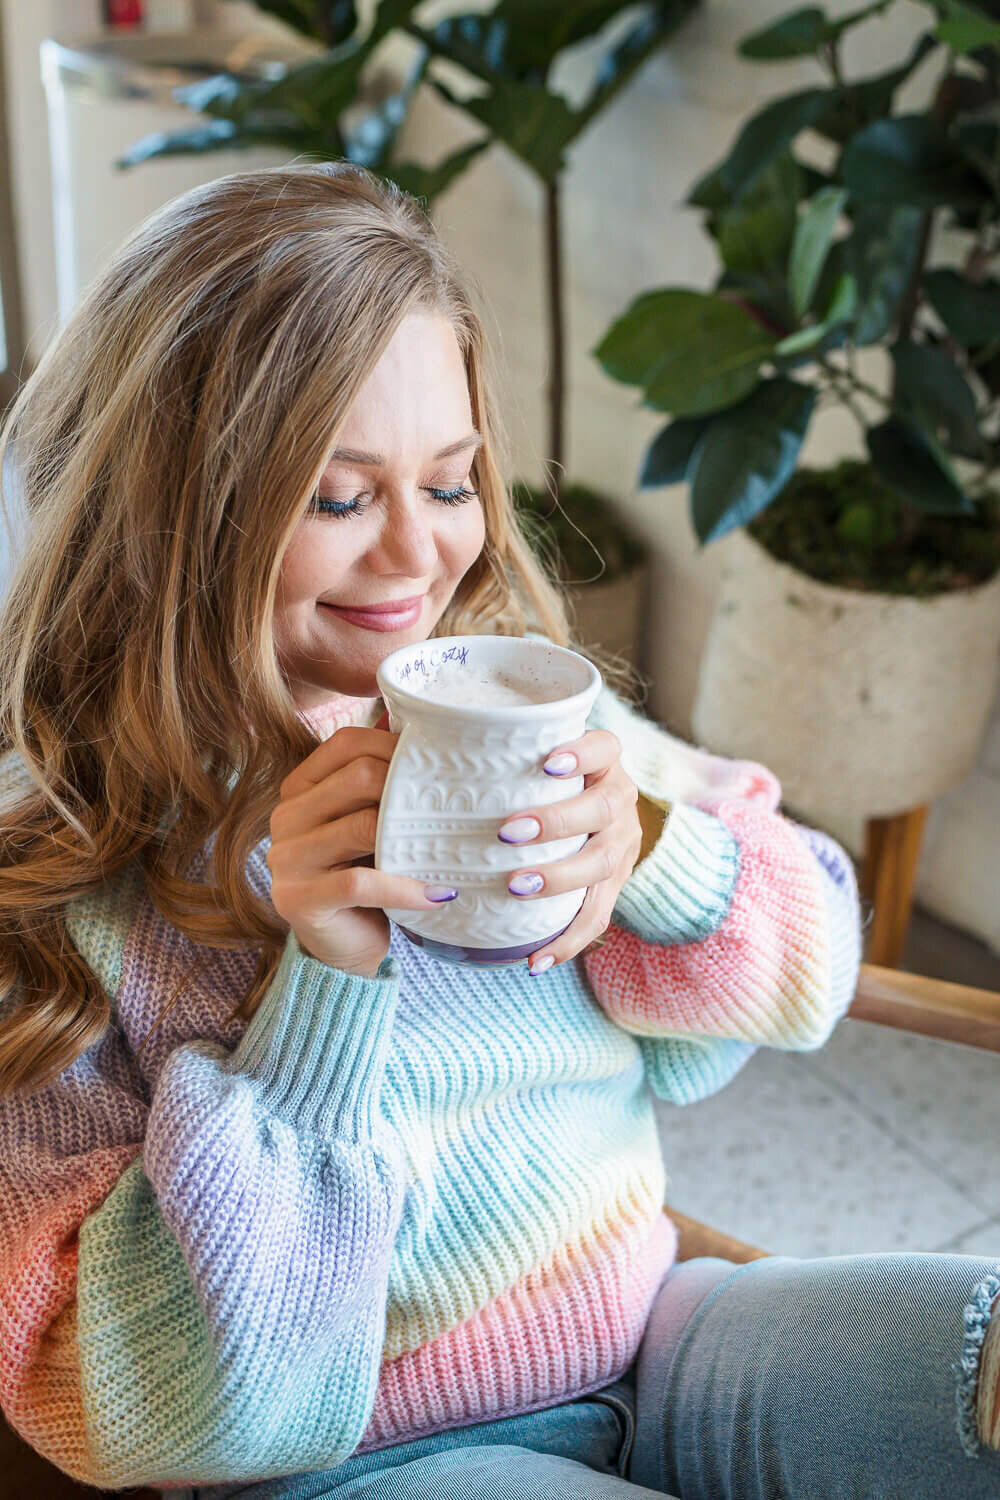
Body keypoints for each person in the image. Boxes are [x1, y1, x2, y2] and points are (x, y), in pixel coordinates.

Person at [0, 160, 996, 1500]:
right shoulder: (60, 900)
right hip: (364, 1461)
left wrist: (650, 846)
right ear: (170, 516)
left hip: (657, 1339)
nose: (422, 558)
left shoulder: (510, 708)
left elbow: (806, 960)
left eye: (454, 481)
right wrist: (326, 990)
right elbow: (143, 1409)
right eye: (342, 497)